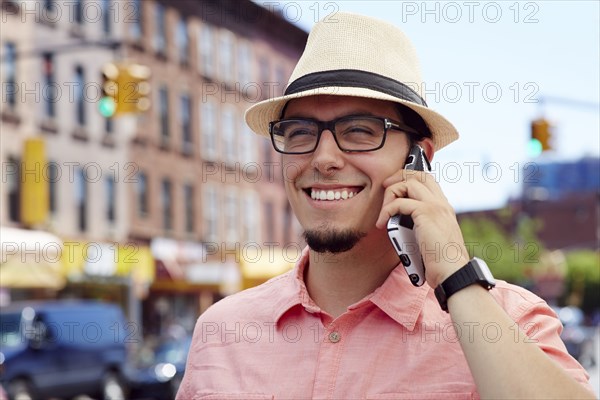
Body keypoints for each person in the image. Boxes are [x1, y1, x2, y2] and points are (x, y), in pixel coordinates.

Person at [177, 12, 595, 399]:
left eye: (359, 130)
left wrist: (455, 275)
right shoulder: (221, 331)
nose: (323, 158)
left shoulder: (509, 319)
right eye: (300, 132)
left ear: (419, 159)